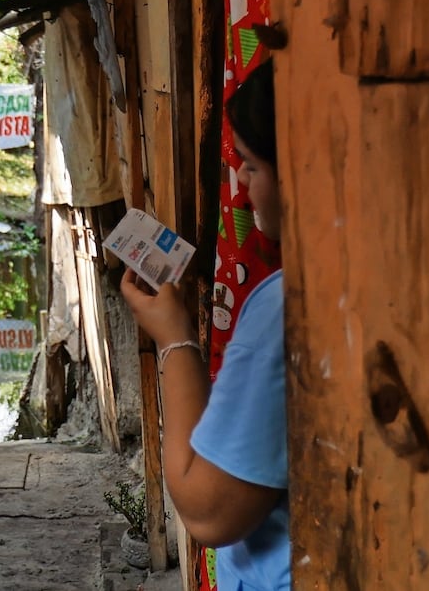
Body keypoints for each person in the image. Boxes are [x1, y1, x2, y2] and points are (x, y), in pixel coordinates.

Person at [120, 59, 289, 590]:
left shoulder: (282, 308)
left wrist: (173, 340)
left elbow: (206, 511)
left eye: (252, 166)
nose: (240, 181)